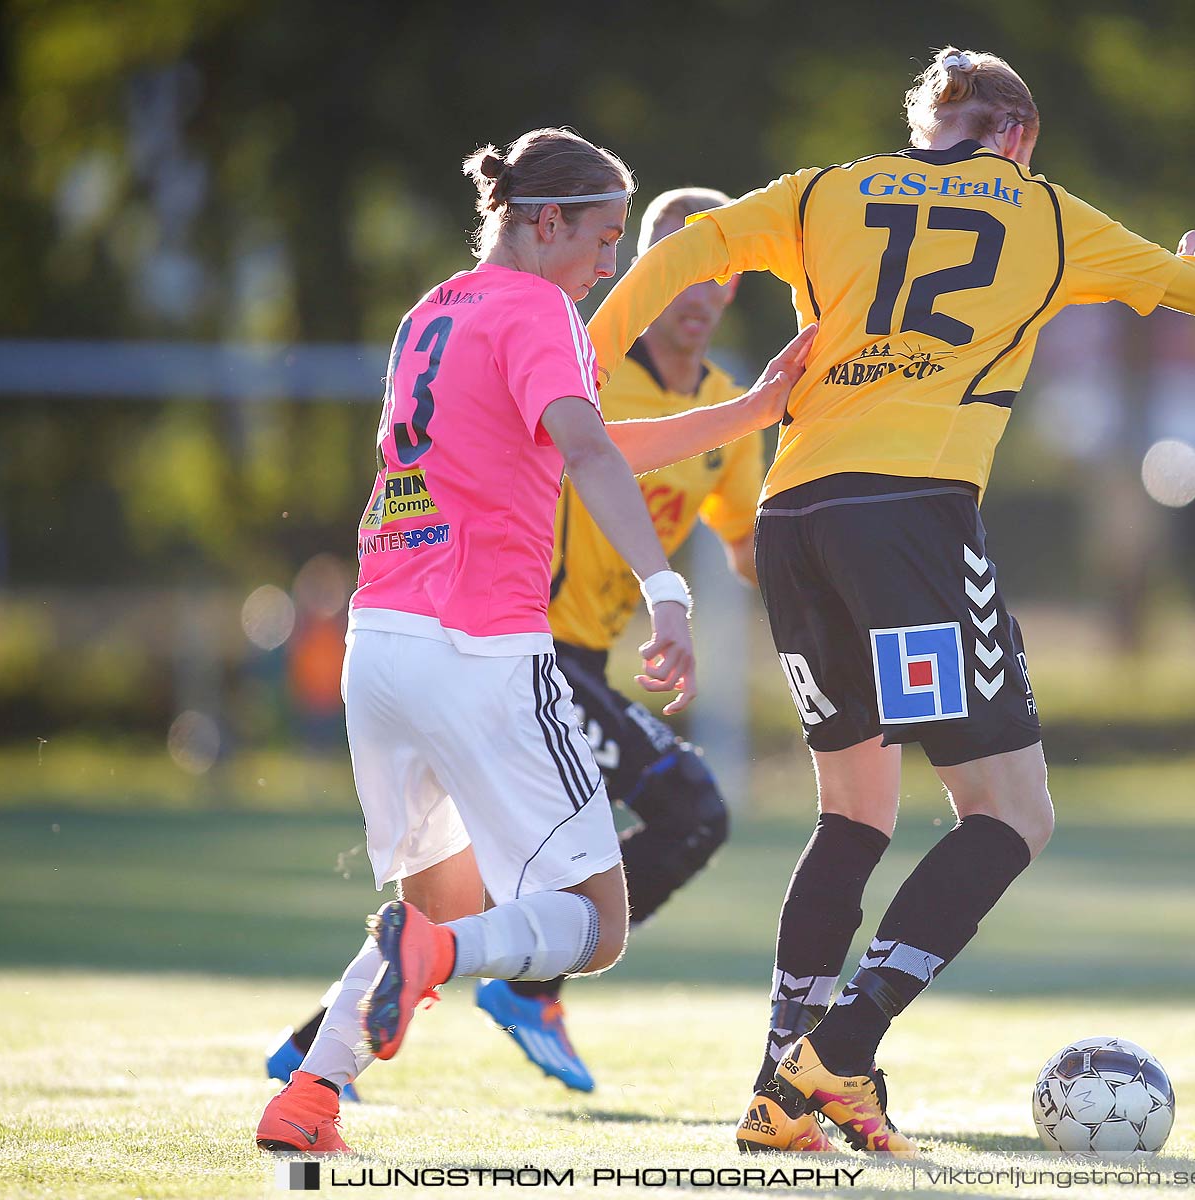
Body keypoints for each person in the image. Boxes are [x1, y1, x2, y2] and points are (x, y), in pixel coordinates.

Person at [588, 48, 1195, 1157]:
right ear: (1018, 137)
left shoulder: (825, 189)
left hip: (796, 520)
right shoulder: (1038, 210)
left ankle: (778, 1085)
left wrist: (586, 362)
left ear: (922, 125)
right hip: (914, 521)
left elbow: (686, 248)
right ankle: (837, 1056)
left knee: (855, 813)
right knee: (1011, 814)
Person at [255, 129, 812, 1154]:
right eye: (605, 240)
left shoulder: (432, 310)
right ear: (546, 221)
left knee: (445, 906)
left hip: (381, 651)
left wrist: (749, 410)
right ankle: (426, 967)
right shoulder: (542, 309)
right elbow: (593, 448)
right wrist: (667, 592)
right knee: (594, 926)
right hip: (485, 653)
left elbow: (585, 438)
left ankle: (308, 1096)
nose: (612, 270)